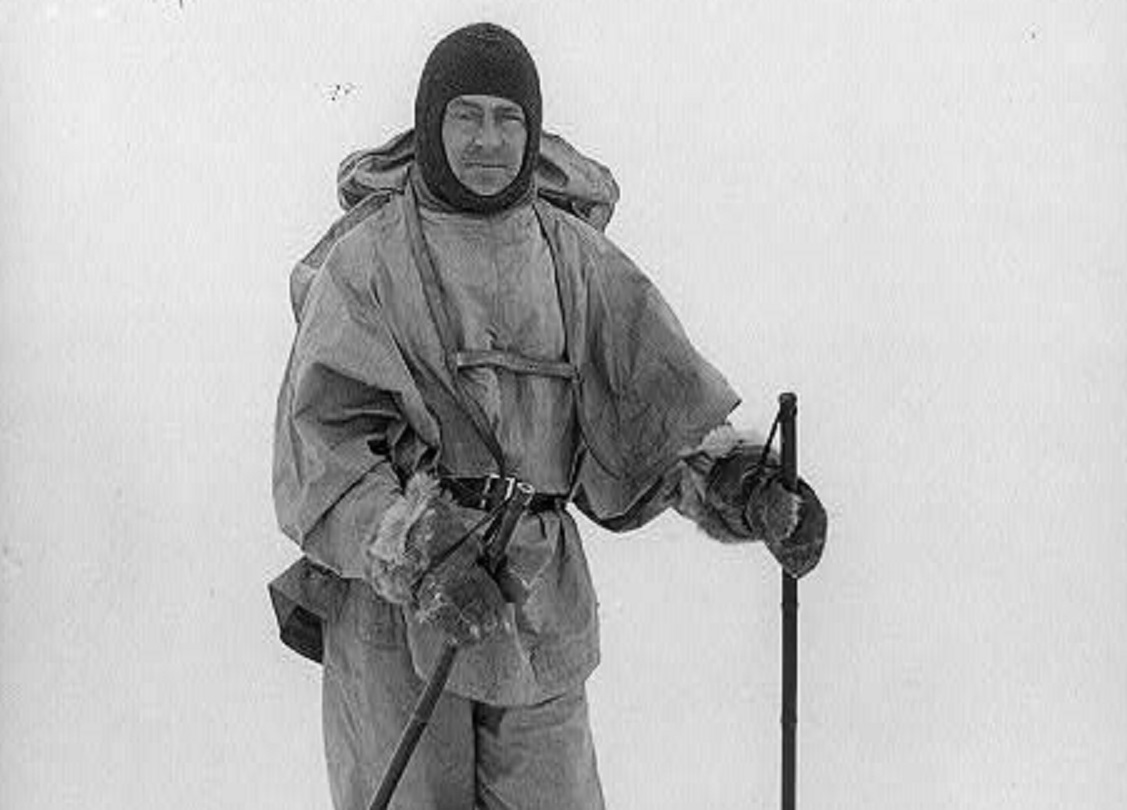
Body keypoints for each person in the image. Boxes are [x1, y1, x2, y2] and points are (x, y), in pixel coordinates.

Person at [268, 22, 826, 810]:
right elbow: (320, 445)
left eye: (507, 118)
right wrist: (422, 553)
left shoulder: (574, 258)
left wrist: (742, 485)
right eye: (466, 116)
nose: (487, 140)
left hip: (535, 606)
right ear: (432, 124)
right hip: (397, 622)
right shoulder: (367, 263)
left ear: (532, 130)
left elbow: (656, 413)